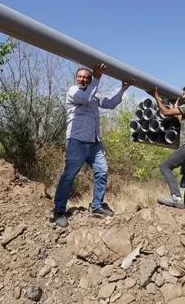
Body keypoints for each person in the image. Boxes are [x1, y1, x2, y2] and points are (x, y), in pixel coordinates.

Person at [52, 63, 136, 228]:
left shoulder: (94, 94)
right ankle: (59, 211)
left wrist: (123, 89)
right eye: (80, 77)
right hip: (77, 141)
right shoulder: (73, 92)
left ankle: (97, 205)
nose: (82, 79)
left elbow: (111, 103)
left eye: (86, 77)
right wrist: (97, 77)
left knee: (102, 171)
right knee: (69, 176)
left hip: (94, 142)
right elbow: (85, 98)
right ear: (76, 79)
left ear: (89, 80)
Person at [152, 85, 185, 209]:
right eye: (183, 94)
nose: (183, 96)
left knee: (165, 166)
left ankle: (176, 196)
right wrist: (176, 109)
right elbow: (183, 123)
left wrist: (156, 98)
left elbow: (165, 112)